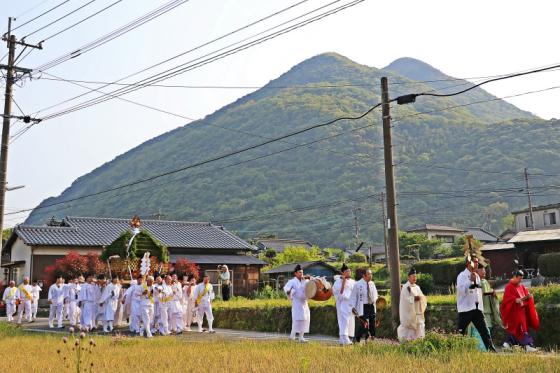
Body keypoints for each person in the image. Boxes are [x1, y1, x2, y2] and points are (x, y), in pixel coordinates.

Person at [456, 257, 497, 352]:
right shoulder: (461, 276)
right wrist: (470, 280)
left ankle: (491, 349)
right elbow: (462, 291)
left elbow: (477, 291)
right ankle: (455, 349)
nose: (477, 264)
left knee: (484, 331)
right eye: (475, 262)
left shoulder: (477, 276)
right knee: (460, 331)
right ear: (468, 263)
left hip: (477, 308)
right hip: (466, 309)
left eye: (477, 262)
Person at [500, 270, 540, 352]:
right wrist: (514, 300)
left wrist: (529, 297)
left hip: (521, 312)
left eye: (521, 279)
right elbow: (505, 301)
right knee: (521, 329)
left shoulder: (521, 286)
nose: (520, 280)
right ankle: (528, 345)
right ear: (514, 277)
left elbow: (525, 294)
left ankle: (507, 343)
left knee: (517, 329)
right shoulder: (508, 287)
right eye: (519, 278)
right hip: (513, 312)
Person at [397, 268, 427, 341]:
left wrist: (421, 298)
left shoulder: (417, 287)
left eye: (415, 276)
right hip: (409, 312)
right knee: (409, 328)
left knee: (419, 326)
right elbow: (405, 300)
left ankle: (419, 341)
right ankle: (407, 342)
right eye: (413, 276)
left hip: (417, 311)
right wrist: (414, 299)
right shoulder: (405, 287)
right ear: (409, 277)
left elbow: (422, 296)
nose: (415, 278)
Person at [283, 264, 310, 343]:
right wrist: (289, 291)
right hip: (297, 303)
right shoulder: (292, 281)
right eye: (299, 272)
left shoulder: (305, 281)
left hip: (304, 303)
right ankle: (292, 337)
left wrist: (309, 278)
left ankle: (301, 337)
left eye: (302, 272)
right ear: (295, 273)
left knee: (305, 319)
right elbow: (286, 288)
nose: (301, 274)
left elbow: (311, 285)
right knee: (297, 320)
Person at [351, 268, 378, 342]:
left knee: (372, 323)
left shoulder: (372, 283)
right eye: (369, 274)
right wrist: (353, 307)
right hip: (363, 307)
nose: (371, 276)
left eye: (371, 274)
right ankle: (357, 338)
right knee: (365, 324)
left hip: (371, 306)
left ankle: (370, 339)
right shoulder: (357, 284)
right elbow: (353, 296)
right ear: (364, 275)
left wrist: (375, 300)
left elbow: (375, 295)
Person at [333, 263, 355, 345]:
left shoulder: (353, 281)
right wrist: (343, 282)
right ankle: (345, 338)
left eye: (349, 271)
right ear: (343, 273)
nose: (349, 272)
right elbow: (340, 292)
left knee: (347, 321)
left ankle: (342, 338)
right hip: (342, 302)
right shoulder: (338, 281)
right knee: (343, 320)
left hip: (350, 303)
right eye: (347, 271)